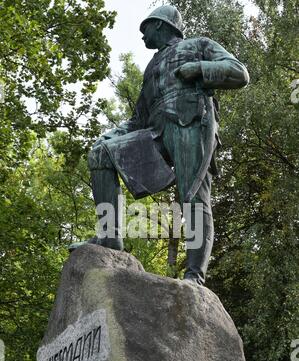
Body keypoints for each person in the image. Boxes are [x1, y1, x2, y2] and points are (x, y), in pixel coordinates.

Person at [70, 5, 249, 286]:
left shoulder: (198, 45)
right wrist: (111, 135)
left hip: (191, 121)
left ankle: (194, 275)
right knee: (100, 154)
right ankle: (109, 235)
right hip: (156, 131)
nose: (142, 36)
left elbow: (239, 73)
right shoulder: (151, 67)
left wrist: (199, 69)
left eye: (145, 29)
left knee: (192, 196)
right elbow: (138, 117)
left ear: (161, 25)